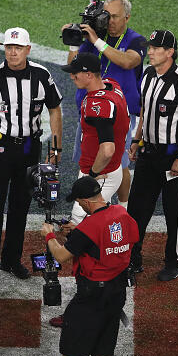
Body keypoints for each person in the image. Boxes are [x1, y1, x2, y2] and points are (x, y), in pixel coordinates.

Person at [0, 27, 63, 294]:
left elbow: (55, 109)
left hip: (29, 147)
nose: (12, 52)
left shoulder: (42, 75)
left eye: (18, 48)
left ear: (28, 50)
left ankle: (10, 260)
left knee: (20, 207)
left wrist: (56, 147)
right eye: (8, 47)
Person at [40, 176, 138, 356]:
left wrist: (49, 235)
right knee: (104, 353)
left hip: (92, 296)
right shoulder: (122, 213)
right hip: (117, 292)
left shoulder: (89, 227)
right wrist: (78, 233)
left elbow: (60, 256)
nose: (80, 206)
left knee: (71, 351)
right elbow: (112, 239)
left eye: (78, 203)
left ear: (85, 201)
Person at [127, 30, 178, 281]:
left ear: (170, 52)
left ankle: (174, 260)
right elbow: (144, 111)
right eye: (150, 47)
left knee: (173, 211)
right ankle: (132, 256)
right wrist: (137, 140)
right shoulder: (148, 75)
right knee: (138, 207)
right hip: (149, 153)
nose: (150, 51)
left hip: (172, 156)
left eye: (156, 48)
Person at [61, 0, 146, 208]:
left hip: (120, 116)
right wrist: (74, 42)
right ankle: (89, 203)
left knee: (120, 164)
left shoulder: (136, 40)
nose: (110, 21)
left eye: (116, 16)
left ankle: (123, 207)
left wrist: (97, 42)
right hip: (89, 111)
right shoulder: (93, 37)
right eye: (107, 15)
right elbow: (74, 65)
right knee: (88, 160)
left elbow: (128, 62)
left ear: (127, 17)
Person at [60, 52, 129, 226]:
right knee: (101, 222)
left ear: (89, 75)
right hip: (108, 169)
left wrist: (91, 175)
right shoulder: (112, 85)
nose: (71, 76)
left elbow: (107, 150)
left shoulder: (98, 105)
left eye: (75, 73)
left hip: (101, 173)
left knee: (79, 223)